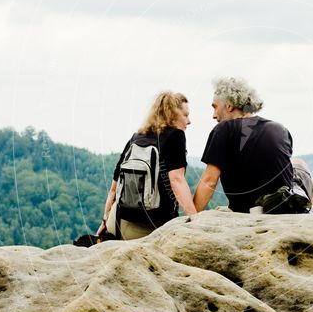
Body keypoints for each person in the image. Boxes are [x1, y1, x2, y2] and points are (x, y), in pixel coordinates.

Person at [96, 91, 196, 240]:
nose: (189, 121)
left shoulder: (137, 137)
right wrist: (196, 222)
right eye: (185, 115)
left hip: (117, 223)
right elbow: (177, 181)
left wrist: (105, 220)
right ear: (172, 114)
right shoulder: (176, 136)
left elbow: (113, 190)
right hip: (150, 229)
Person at [193, 78, 295, 213]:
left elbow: (209, 181)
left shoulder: (224, 129)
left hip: (247, 212)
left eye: (215, 107)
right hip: (286, 209)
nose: (214, 115)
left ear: (229, 106)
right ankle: (311, 215)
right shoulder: (279, 128)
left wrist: (190, 218)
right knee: (300, 165)